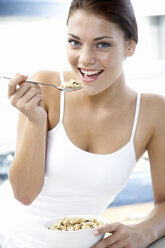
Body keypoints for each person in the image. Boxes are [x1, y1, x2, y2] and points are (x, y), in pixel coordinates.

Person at [0, 0, 165, 247]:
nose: (85, 59)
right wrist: (35, 121)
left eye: (102, 44)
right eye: (75, 42)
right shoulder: (45, 85)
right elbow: (24, 194)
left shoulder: (153, 111)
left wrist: (144, 231)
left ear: (129, 46)